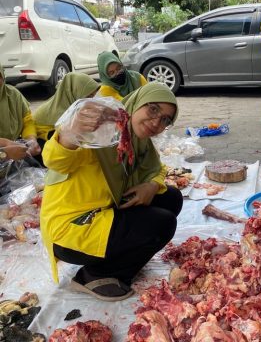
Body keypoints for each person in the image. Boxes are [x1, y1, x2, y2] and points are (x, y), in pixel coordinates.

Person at [40, 82, 183, 301]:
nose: (156, 122)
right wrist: (70, 134)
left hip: (106, 208)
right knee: (162, 223)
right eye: (153, 109)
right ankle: (95, 275)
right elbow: (54, 160)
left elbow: (156, 169)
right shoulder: (103, 130)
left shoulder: (139, 140)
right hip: (72, 226)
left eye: (165, 119)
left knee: (170, 198)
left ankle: (120, 255)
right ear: (136, 103)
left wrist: (151, 185)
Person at [33, 72, 100, 148]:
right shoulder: (56, 112)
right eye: (88, 96)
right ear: (73, 91)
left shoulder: (72, 104)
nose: (91, 100)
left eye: (93, 96)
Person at [0, 65, 41, 159]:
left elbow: (27, 121)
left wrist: (30, 140)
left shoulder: (13, 94)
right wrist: (4, 151)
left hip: (14, 147)